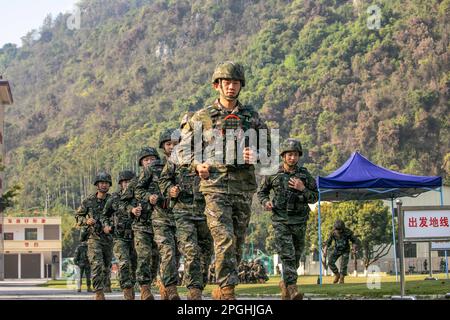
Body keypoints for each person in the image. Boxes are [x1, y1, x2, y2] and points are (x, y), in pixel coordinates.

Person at [179, 61, 270, 300]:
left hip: (242, 188)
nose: (231, 87)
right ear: (217, 85)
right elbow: (181, 151)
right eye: (226, 82)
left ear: (241, 86)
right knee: (224, 238)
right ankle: (228, 290)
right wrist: (197, 164)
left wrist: (257, 154)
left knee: (237, 243)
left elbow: (269, 151)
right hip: (215, 187)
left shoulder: (252, 117)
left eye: (235, 82)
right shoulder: (203, 117)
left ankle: (221, 289)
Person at [257, 138, 318, 299]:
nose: (293, 158)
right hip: (281, 221)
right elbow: (261, 192)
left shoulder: (305, 175)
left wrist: (302, 188)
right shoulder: (273, 173)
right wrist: (266, 202)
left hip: (299, 221)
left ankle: (285, 284)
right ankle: (292, 288)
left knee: (296, 256)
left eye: (296, 155)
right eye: (290, 154)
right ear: (283, 156)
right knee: (288, 255)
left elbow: (314, 197)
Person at [159, 130, 213, 300]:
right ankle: (194, 291)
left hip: (205, 211)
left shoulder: (210, 156)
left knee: (205, 253)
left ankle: (198, 287)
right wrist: (170, 190)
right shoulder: (177, 157)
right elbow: (164, 180)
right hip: (183, 212)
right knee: (191, 251)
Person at [75, 172, 113, 300]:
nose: (104, 185)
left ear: (109, 185)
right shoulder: (88, 201)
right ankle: (98, 293)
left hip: (109, 238)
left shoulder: (113, 200)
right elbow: (78, 216)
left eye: (106, 183)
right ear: (97, 185)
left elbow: (120, 215)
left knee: (106, 266)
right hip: (94, 237)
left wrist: (111, 226)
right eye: (101, 183)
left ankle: (104, 285)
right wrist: (86, 221)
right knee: (97, 264)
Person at [102, 170, 138, 300]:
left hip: (137, 236)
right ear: (120, 183)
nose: (127, 184)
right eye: (125, 182)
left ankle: (132, 287)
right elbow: (104, 215)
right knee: (124, 263)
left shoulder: (139, 196)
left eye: (130, 181)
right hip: (119, 237)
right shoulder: (114, 198)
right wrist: (106, 225)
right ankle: (127, 291)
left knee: (134, 265)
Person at [325, 220, 359, 284]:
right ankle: (337, 275)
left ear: (343, 228)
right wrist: (325, 250)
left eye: (340, 230)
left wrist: (354, 247)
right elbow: (328, 242)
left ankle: (342, 278)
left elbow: (354, 240)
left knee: (343, 265)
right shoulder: (333, 232)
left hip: (345, 250)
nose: (339, 231)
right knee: (330, 262)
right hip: (337, 250)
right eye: (337, 230)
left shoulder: (347, 232)